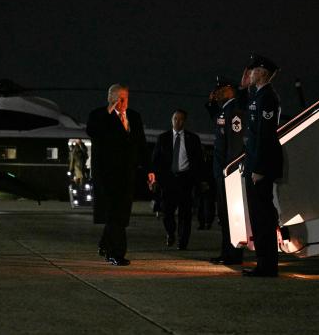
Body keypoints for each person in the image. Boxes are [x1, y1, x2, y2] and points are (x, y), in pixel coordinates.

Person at [86, 84, 155, 266]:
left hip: (128, 175)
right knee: (114, 214)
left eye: (126, 98)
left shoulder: (134, 116)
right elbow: (92, 131)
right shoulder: (99, 115)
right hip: (107, 176)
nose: (124, 102)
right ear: (111, 98)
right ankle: (116, 253)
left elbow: (141, 144)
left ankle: (104, 244)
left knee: (121, 215)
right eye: (120, 98)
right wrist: (109, 110)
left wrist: (149, 169)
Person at [241, 53, 283, 277]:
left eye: (254, 70)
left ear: (264, 73)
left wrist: (259, 168)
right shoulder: (258, 95)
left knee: (263, 215)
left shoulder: (268, 97)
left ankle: (267, 265)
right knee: (258, 215)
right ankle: (263, 263)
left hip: (260, 166)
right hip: (255, 162)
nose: (250, 73)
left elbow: (265, 136)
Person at [206, 76, 246, 266]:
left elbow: (235, 145)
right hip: (221, 171)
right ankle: (226, 253)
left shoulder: (235, 110)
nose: (219, 91)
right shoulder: (225, 109)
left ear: (231, 90)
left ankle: (233, 254)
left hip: (228, 172)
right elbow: (217, 121)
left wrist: (229, 171)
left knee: (230, 216)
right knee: (223, 215)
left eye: (222, 89)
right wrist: (210, 102)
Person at [151, 109, 204, 250]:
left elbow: (199, 161)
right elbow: (156, 161)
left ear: (185, 121)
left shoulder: (193, 139)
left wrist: (199, 181)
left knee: (185, 213)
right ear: (171, 120)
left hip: (185, 180)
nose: (177, 122)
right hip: (168, 180)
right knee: (167, 212)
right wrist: (155, 179)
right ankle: (170, 233)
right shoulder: (163, 138)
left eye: (180, 119)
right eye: (175, 118)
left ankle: (183, 241)